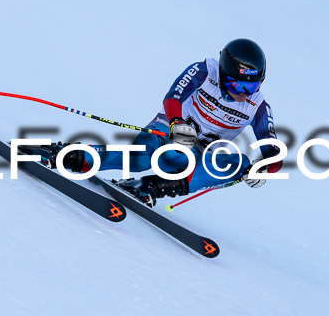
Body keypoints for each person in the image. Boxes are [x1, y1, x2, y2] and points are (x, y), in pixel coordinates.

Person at [41, 38, 282, 205]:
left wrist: (265, 168)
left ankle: (153, 187)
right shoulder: (205, 71)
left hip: (192, 161)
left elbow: (274, 151)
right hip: (167, 134)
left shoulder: (258, 107)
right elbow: (172, 97)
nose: (243, 91)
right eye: (236, 83)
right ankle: (70, 156)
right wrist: (177, 124)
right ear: (222, 72)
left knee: (238, 162)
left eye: (252, 85)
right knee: (139, 158)